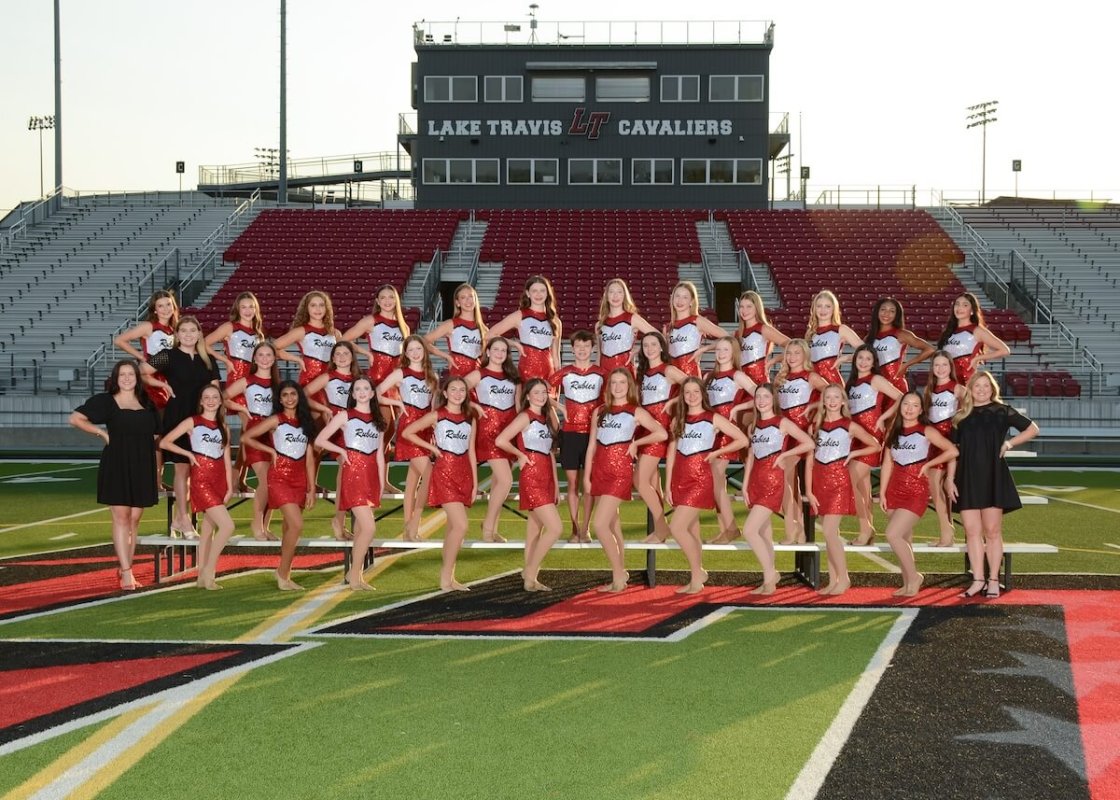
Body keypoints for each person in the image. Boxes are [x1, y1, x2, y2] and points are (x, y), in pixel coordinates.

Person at [947, 371, 1039, 599]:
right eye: (976, 386)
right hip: (966, 477)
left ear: (992, 388)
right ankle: (978, 580)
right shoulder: (960, 417)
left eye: (985, 386)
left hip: (992, 477)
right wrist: (949, 479)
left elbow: (1032, 429)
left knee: (992, 531)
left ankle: (994, 580)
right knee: (971, 531)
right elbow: (953, 453)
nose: (981, 389)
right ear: (970, 389)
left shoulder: (1002, 411)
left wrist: (1009, 443)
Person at [69, 359, 159, 591]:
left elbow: (157, 436)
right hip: (117, 463)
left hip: (142, 465)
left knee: (135, 520)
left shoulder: (147, 402)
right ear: (116, 378)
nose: (127, 378)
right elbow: (75, 418)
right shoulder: (106, 401)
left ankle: (125, 566)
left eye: (131, 374)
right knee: (121, 517)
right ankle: (127, 572)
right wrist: (101, 433)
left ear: (137, 378)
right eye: (122, 375)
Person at [664, 377, 750, 594]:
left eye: (695, 392)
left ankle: (697, 573)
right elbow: (672, 453)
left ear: (703, 394)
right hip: (680, 478)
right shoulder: (678, 420)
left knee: (676, 527)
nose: (691, 396)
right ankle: (696, 576)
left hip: (700, 480)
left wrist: (717, 453)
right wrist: (667, 484)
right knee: (691, 530)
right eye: (687, 393)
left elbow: (742, 440)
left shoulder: (713, 418)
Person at [584, 369, 667, 592]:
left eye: (623, 382)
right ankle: (619, 576)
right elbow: (592, 445)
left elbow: (661, 434)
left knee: (600, 525)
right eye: (614, 382)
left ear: (629, 386)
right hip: (599, 469)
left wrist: (637, 444)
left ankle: (619, 575)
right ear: (609, 386)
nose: (618, 386)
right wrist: (586, 476)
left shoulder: (635, 411)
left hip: (619, 472)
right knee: (613, 525)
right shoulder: (599, 411)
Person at [141, 315, 220, 538]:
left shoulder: (207, 359)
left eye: (192, 331)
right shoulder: (168, 356)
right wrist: (160, 384)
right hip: (177, 417)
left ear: (198, 334)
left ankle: (178, 519)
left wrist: (214, 420)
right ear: (176, 335)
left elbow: (215, 389)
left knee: (199, 471)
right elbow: (141, 371)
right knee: (182, 468)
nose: (188, 334)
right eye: (183, 331)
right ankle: (184, 520)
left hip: (202, 419)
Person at [400, 376, 479, 592]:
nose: (457, 393)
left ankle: (450, 578)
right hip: (444, 473)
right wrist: (432, 449)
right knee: (461, 525)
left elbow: (471, 451)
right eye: (453, 389)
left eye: (461, 390)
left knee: (454, 528)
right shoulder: (437, 415)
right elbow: (408, 432)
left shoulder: (470, 417)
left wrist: (474, 483)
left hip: (464, 474)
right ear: (445, 393)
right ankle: (445, 579)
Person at [241, 381, 319, 591]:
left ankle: (285, 572)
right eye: (284, 395)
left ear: (299, 397)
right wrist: (272, 452)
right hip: (279, 478)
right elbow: (246, 437)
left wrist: (311, 488)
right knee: (297, 525)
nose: (289, 398)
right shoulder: (275, 420)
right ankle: (282, 575)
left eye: (293, 394)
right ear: (279, 399)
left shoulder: (306, 422)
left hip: (299, 478)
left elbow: (310, 458)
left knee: (289, 529)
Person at [879, 392, 958, 597]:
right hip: (894, 490)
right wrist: (882, 492)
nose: (909, 408)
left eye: (915, 405)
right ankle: (907, 583)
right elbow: (887, 462)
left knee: (892, 534)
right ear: (901, 406)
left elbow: (952, 451)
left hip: (916, 491)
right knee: (904, 538)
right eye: (906, 404)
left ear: (921, 410)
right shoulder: (892, 431)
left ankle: (914, 577)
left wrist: (929, 464)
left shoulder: (926, 430)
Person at [804, 385, 880, 596]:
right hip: (820, 482)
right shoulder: (815, 425)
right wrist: (809, 491)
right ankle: (832, 579)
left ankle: (844, 577)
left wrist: (852, 455)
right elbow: (810, 460)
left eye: (836, 397)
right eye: (828, 397)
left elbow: (875, 445)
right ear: (824, 401)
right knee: (830, 535)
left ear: (843, 401)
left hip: (839, 481)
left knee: (829, 532)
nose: (832, 400)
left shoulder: (849, 425)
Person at [739, 384, 815, 595]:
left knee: (749, 531)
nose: (761, 400)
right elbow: (752, 457)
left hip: (773, 482)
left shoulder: (782, 422)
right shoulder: (753, 425)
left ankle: (771, 572)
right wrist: (745, 486)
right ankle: (768, 583)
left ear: (773, 399)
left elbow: (809, 443)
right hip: (755, 481)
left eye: (766, 396)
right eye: (758, 397)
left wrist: (783, 456)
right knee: (764, 533)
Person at [314, 377, 388, 591]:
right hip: (352, 474)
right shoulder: (345, 415)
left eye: (366, 388)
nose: (362, 392)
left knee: (361, 529)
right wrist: (341, 451)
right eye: (358, 389)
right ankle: (355, 574)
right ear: (353, 394)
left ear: (373, 393)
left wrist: (381, 482)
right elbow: (320, 440)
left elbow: (380, 455)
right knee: (369, 527)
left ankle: (354, 575)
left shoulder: (378, 420)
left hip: (371, 475)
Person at [158, 385, 236, 590]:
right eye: (206, 397)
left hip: (219, 480)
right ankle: (210, 572)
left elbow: (227, 459)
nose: (210, 400)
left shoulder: (223, 427)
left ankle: (201, 577)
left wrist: (229, 486)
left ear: (220, 401)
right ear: (201, 401)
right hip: (201, 480)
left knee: (208, 530)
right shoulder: (192, 421)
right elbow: (165, 442)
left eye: (214, 397)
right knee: (228, 527)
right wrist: (190, 455)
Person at [496, 378, 566, 592]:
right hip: (532, 475)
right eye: (536, 392)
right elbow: (501, 440)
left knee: (535, 531)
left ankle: (530, 580)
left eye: (544, 392)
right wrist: (520, 455)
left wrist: (555, 485)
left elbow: (551, 454)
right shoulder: (524, 417)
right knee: (556, 528)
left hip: (546, 474)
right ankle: (529, 571)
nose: (541, 396)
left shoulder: (545, 419)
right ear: (527, 396)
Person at [376, 335, 439, 542]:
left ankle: (408, 531)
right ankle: (413, 525)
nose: (414, 353)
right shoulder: (400, 373)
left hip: (425, 430)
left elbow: (433, 408)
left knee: (413, 482)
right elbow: (376, 393)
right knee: (429, 475)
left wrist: (435, 432)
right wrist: (397, 404)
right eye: (410, 350)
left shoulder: (433, 377)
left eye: (417, 348)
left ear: (424, 350)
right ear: (405, 353)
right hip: (409, 429)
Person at [204, 292, 266, 493]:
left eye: (251, 307)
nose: (248, 310)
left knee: (251, 434)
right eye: (244, 307)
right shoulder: (229, 327)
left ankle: (237, 475)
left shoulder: (258, 334)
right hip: (237, 384)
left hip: (253, 385)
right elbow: (203, 343)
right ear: (238, 309)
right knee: (251, 432)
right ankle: (234, 475)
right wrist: (224, 360)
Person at [548, 330, 606, 543]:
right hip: (570, 434)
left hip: (593, 436)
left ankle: (586, 528)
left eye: (586, 346)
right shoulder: (565, 372)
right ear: (572, 349)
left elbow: (612, 397)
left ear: (592, 348)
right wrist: (561, 408)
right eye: (578, 347)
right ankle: (574, 528)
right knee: (572, 484)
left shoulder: (601, 373)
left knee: (588, 483)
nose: (582, 350)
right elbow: (541, 391)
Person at [845, 344, 904, 545]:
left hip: (871, 439)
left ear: (874, 362)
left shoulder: (876, 379)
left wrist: (883, 418)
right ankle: (868, 530)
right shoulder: (851, 382)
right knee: (863, 488)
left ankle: (865, 529)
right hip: (854, 439)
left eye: (868, 359)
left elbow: (901, 397)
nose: (863, 362)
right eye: (860, 358)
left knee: (848, 481)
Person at [306, 341, 364, 541]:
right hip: (337, 431)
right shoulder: (328, 377)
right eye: (337, 353)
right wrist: (325, 409)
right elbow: (303, 395)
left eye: (345, 353)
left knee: (352, 474)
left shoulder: (359, 379)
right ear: (332, 358)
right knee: (346, 470)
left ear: (352, 356)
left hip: (355, 431)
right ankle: (338, 520)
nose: (341, 356)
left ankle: (344, 520)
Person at [464, 336, 520, 542]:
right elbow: (458, 390)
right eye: (495, 349)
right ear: (487, 352)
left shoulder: (513, 376)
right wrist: (474, 405)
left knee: (499, 483)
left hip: (508, 432)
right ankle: (487, 525)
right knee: (506, 481)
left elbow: (518, 405)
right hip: (489, 432)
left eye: (503, 351)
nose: (499, 353)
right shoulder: (479, 374)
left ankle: (493, 528)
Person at [223, 341, 280, 541]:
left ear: (274, 359)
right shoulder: (247, 381)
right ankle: (256, 524)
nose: (265, 359)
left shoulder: (277, 386)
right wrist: (242, 409)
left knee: (274, 482)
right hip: (254, 434)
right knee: (265, 481)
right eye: (261, 355)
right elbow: (223, 396)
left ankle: (265, 526)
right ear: (254, 359)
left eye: (268, 355)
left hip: (273, 436)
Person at [773, 339, 828, 544]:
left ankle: (794, 530)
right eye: (789, 353)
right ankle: (799, 531)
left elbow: (833, 393)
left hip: (801, 434)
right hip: (783, 433)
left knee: (784, 480)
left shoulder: (810, 376)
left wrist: (814, 409)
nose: (792, 357)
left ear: (805, 355)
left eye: (797, 353)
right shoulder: (781, 378)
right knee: (789, 484)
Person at [635, 331, 688, 544]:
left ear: (661, 347)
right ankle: (660, 531)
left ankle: (662, 528)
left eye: (653, 344)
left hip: (660, 430)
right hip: (646, 428)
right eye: (645, 345)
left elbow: (694, 386)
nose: (649, 348)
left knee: (639, 480)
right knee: (652, 484)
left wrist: (675, 404)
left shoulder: (668, 370)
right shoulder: (644, 373)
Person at [703, 336, 757, 544]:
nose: (721, 353)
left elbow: (760, 394)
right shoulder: (710, 376)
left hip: (727, 433)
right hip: (710, 433)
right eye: (718, 349)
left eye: (725, 349)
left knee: (716, 480)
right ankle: (725, 529)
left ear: (733, 353)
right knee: (715, 483)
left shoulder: (738, 376)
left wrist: (738, 408)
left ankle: (731, 529)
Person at [924, 351, 966, 547]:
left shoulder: (958, 389)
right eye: (936, 365)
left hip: (949, 441)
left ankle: (949, 533)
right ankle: (946, 531)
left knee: (944, 487)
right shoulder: (929, 389)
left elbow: (970, 409)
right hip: (933, 442)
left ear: (951, 367)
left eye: (944, 365)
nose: (940, 369)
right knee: (936, 487)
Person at [487, 275, 562, 383]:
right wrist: (515, 344)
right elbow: (489, 335)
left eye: (542, 290)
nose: (538, 294)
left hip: (548, 372)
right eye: (534, 291)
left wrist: (556, 381)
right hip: (527, 370)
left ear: (547, 293)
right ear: (528, 293)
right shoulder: (520, 315)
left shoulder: (555, 321)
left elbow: (556, 356)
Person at [114, 289, 179, 411]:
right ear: (155, 309)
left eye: (168, 304)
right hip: (150, 378)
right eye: (161, 306)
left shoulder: (175, 329)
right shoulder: (148, 326)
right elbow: (119, 340)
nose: (166, 309)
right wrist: (141, 357)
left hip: (168, 378)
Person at [274, 290, 341, 402]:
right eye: (313, 305)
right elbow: (271, 348)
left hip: (332, 383)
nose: (318, 309)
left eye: (321, 305)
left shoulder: (335, 333)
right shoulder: (301, 331)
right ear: (307, 308)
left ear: (326, 308)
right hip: (309, 382)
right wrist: (296, 359)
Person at [344, 284, 412, 386]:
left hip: (398, 380)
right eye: (383, 298)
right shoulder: (370, 321)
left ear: (396, 300)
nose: (387, 301)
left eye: (391, 297)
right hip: (377, 377)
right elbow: (343, 340)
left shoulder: (404, 327)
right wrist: (367, 353)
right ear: (378, 302)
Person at [937, 292, 1010, 385]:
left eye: (965, 305)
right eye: (957, 304)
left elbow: (1005, 350)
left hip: (965, 381)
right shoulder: (949, 331)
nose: (959, 308)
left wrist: (977, 358)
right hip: (946, 379)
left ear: (972, 311)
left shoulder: (977, 330)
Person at [865, 297, 935, 393]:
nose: (886, 314)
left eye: (892, 311)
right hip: (874, 387)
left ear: (896, 315)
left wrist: (906, 365)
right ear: (877, 312)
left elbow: (930, 349)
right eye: (883, 309)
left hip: (895, 385)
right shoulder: (869, 337)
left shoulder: (902, 334)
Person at [424, 283, 486, 377]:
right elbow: (423, 340)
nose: (468, 300)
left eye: (470, 296)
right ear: (457, 303)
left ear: (475, 299)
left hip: (478, 380)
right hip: (458, 380)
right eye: (463, 297)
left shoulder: (483, 328)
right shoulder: (451, 324)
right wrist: (446, 356)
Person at [595, 278, 656, 373]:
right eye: (611, 292)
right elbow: (599, 356)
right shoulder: (600, 324)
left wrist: (639, 349)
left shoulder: (632, 318)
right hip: (604, 374)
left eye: (619, 292)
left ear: (624, 295)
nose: (615, 296)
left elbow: (658, 336)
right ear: (606, 296)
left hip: (626, 373)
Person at [665, 281, 725, 377]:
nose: (680, 301)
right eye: (677, 296)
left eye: (685, 297)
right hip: (672, 381)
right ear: (672, 298)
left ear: (691, 301)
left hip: (692, 379)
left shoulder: (697, 321)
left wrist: (704, 349)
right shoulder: (668, 327)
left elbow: (728, 338)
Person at [805, 289, 863, 387]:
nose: (823, 310)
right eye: (819, 306)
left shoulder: (841, 329)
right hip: (813, 384)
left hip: (832, 383)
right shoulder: (811, 333)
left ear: (833, 309)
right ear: (814, 309)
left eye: (827, 306)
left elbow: (867, 350)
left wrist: (845, 358)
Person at [736, 290, 789, 387]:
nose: (744, 310)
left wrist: (773, 361)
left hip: (760, 383)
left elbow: (794, 345)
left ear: (757, 308)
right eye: (741, 307)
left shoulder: (764, 329)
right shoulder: (737, 333)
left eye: (749, 306)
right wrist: (704, 349)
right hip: (741, 385)